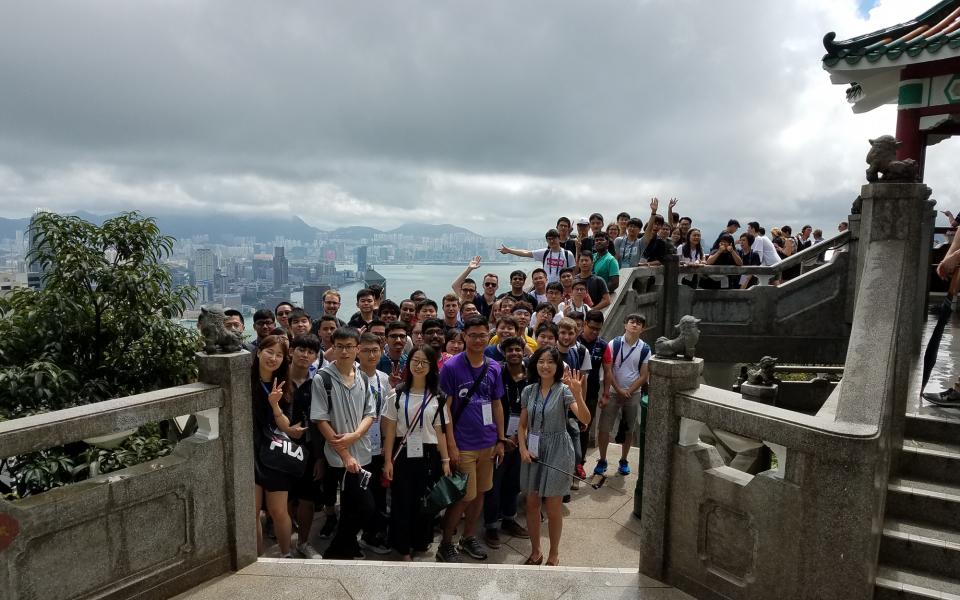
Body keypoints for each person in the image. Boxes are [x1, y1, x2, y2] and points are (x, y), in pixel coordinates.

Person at [437, 316, 506, 563]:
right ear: (464, 336)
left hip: (487, 443)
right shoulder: (452, 368)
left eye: (482, 335)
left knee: (480, 494)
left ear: (489, 335)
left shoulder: (494, 367)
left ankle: (468, 538)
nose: (478, 339)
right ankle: (446, 543)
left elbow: (497, 404)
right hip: (463, 445)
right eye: (473, 335)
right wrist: (451, 446)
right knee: (462, 497)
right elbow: (444, 410)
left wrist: (500, 439)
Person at [518, 346, 589, 566]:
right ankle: (536, 550)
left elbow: (585, 419)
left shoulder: (564, 390)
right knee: (531, 503)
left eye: (550, 362)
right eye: (541, 361)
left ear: (558, 366)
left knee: (553, 506)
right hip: (533, 448)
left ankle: (554, 553)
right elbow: (522, 426)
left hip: (558, 449)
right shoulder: (528, 390)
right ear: (535, 364)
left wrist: (577, 392)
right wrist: (522, 448)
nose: (545, 366)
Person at [382, 344, 452, 560]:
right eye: (415, 361)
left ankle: (421, 540)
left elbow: (440, 431)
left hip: (429, 454)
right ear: (408, 363)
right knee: (403, 501)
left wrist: (446, 459)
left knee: (425, 500)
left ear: (432, 367)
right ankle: (403, 547)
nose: (419, 366)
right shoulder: (397, 394)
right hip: (402, 452)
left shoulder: (438, 397)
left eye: (424, 362)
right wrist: (387, 461)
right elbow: (391, 430)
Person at [312, 327, 376, 560]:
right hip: (339, 458)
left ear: (357, 348)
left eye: (350, 346)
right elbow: (320, 420)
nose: (345, 351)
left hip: (362, 451)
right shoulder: (323, 378)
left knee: (354, 507)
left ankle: (343, 548)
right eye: (340, 346)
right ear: (333, 348)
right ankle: (340, 548)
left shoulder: (363, 376)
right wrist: (346, 454)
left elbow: (370, 413)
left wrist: (355, 436)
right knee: (363, 506)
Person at [251, 334, 300, 558]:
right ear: (259, 352)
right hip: (249, 452)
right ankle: (257, 559)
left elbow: (286, 425)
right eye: (269, 352)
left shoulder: (283, 385)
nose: (273, 358)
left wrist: (274, 404)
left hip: (274, 453)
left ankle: (286, 554)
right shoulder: (244, 380)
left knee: (278, 510)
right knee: (252, 513)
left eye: (279, 355)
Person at [482, 336, 530, 549]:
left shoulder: (531, 375)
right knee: (494, 483)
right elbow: (489, 405)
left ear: (523, 351)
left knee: (514, 481)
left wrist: (521, 436)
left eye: (518, 349)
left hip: (522, 436)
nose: (514, 353)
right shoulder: (496, 373)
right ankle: (491, 526)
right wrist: (499, 437)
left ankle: (509, 519)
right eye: (509, 350)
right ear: (503, 352)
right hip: (498, 437)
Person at [595, 313, 651, 477]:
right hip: (613, 392)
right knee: (604, 427)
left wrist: (629, 391)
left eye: (639, 323)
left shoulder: (645, 348)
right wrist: (618, 389)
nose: (635, 325)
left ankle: (624, 460)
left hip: (633, 394)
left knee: (628, 429)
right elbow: (608, 369)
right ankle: (602, 459)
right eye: (632, 321)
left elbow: (643, 375)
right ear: (625, 324)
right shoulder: (615, 343)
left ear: (643, 328)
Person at [286, 334, 323, 559]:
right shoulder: (277, 381)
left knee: (307, 498)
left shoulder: (317, 383)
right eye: (301, 349)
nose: (305, 355)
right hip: (280, 448)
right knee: (285, 499)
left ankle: (303, 543)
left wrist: (320, 457)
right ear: (291, 351)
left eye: (310, 352)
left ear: (316, 357)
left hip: (309, 449)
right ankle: (285, 541)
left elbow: (320, 423)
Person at [577, 310, 608, 479]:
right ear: (584, 324)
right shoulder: (575, 341)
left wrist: (605, 394)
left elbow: (608, 371)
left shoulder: (602, 345)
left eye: (598, 329)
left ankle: (580, 463)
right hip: (570, 393)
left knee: (584, 428)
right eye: (592, 328)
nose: (595, 332)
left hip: (590, 394)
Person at [499, 229, 576, 284]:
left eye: (554, 239)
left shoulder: (567, 254)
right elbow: (526, 253)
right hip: (546, 287)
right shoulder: (545, 253)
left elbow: (573, 272)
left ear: (559, 239)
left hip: (562, 286)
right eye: (549, 239)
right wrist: (509, 251)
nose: (551, 241)